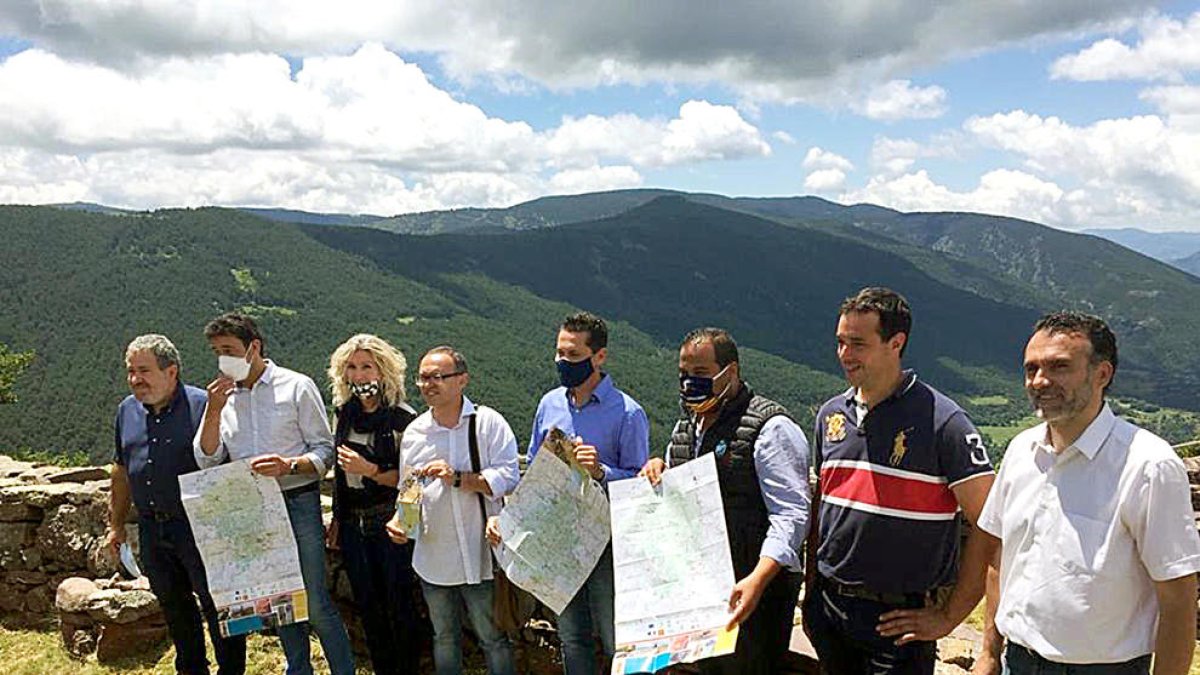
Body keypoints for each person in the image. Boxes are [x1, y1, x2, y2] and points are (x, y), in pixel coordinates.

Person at [880, 312, 1200, 675]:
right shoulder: (1020, 452)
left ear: (1102, 374)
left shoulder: (1148, 466)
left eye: (1059, 366)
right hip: (1016, 661)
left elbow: (1178, 599)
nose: (1040, 381)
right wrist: (987, 649)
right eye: (1031, 369)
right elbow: (1000, 555)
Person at [804, 287, 994, 675]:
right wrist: (812, 598)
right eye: (840, 342)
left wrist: (949, 617)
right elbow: (821, 509)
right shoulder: (830, 416)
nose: (845, 354)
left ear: (896, 342)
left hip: (899, 620)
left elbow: (992, 526)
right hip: (829, 608)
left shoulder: (944, 422)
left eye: (858, 343)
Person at [640, 327, 810, 675]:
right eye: (683, 374)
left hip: (756, 594)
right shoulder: (686, 428)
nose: (689, 384)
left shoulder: (771, 429)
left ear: (729, 372)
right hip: (702, 591)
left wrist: (758, 579)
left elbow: (791, 515)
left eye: (700, 374)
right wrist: (659, 469)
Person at [192, 313, 355, 675]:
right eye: (217, 351)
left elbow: (324, 451)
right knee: (280, 599)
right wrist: (215, 410)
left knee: (314, 601)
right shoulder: (221, 398)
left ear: (254, 347)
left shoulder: (296, 386)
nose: (223, 359)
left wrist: (289, 464)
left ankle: (343, 669)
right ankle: (298, 669)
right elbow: (206, 458)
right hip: (253, 507)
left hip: (297, 499)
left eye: (230, 350)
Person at [108, 334, 247, 675]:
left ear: (171, 372)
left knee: (221, 606)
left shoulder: (204, 406)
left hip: (202, 527)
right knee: (175, 607)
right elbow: (122, 471)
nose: (135, 379)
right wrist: (115, 526)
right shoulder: (126, 410)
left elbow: (228, 465)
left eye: (144, 370)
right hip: (153, 528)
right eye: (130, 371)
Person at [524, 312, 650, 675]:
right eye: (559, 354)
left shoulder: (628, 413)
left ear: (600, 357)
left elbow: (638, 485)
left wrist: (600, 471)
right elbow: (533, 465)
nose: (563, 363)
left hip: (607, 539)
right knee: (571, 633)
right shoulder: (549, 404)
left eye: (573, 356)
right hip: (561, 535)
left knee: (615, 638)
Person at [385, 345, 519, 675]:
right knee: (444, 637)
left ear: (462, 380)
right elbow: (410, 488)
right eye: (423, 378)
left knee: (493, 638)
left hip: (479, 552)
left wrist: (458, 478)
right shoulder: (416, 432)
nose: (429, 384)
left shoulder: (487, 423)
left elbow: (508, 477)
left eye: (438, 377)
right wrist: (402, 522)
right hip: (434, 554)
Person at [325, 334, 421, 675]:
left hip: (389, 522)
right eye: (352, 367)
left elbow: (411, 481)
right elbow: (338, 473)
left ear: (384, 371)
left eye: (368, 366)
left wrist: (369, 471)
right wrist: (338, 517)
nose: (361, 375)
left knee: (399, 602)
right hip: (354, 524)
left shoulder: (402, 419)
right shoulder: (344, 415)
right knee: (368, 604)